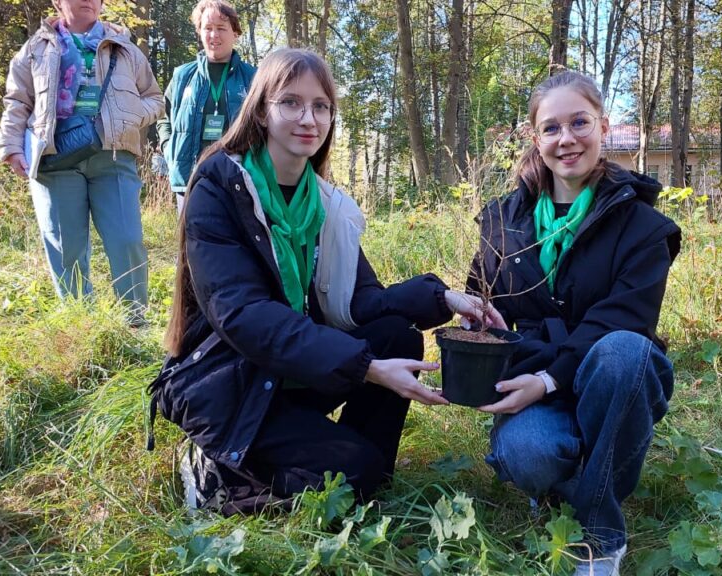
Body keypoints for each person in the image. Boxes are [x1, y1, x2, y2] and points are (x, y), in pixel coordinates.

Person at [149, 47, 505, 515]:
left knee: (396, 338)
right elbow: (244, 316)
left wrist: (443, 298)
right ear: (261, 110)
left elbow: (360, 300)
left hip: (287, 371)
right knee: (353, 471)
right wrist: (366, 368)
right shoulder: (220, 187)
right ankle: (217, 473)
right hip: (229, 382)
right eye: (291, 103)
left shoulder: (323, 203)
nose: (309, 119)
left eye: (321, 106)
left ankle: (348, 468)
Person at [469, 71, 680, 576]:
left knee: (624, 350)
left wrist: (549, 378)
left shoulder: (642, 226)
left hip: (608, 377)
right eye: (551, 128)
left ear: (602, 126)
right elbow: (483, 293)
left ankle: (599, 534)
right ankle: (590, 471)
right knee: (529, 454)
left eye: (579, 122)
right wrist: (477, 315)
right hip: (532, 377)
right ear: (534, 137)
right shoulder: (503, 220)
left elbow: (623, 317)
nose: (566, 139)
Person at [0, 0, 164, 322]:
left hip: (113, 156)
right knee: (66, 246)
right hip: (55, 158)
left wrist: (130, 117)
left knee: (127, 240)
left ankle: (135, 320)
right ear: (58, 2)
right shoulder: (35, 49)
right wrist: (11, 147)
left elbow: (154, 98)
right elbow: (17, 101)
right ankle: (80, 322)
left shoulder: (125, 48)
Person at [157, 0, 256, 214]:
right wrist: (168, 149)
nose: (214, 35)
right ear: (199, 32)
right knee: (191, 235)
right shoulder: (182, 76)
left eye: (221, 28)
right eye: (207, 28)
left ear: (235, 33)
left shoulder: (253, 78)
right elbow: (164, 118)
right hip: (189, 179)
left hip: (238, 179)